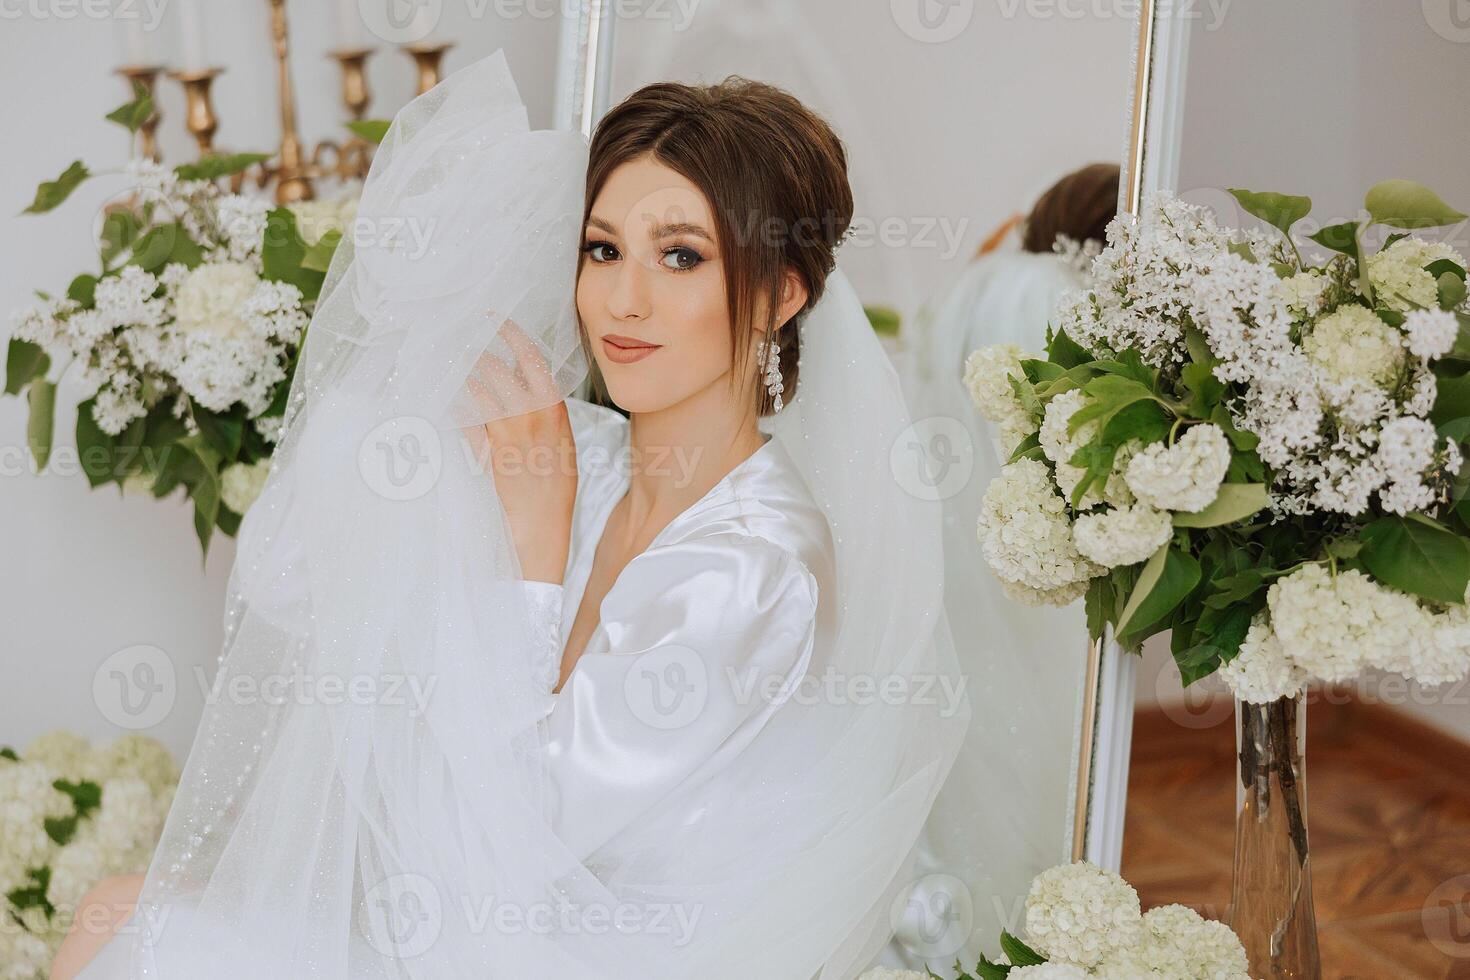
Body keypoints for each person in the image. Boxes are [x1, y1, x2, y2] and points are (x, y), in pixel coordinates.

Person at [57, 49, 968, 979]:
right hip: (466, 907)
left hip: (586, 946)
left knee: (133, 934)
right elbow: (299, 585)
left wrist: (533, 544)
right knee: (119, 911)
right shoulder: (579, 453)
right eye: (603, 249)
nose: (624, 299)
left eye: (681, 256)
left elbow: (529, 830)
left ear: (781, 293)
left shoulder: (758, 566)